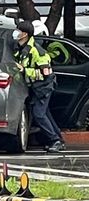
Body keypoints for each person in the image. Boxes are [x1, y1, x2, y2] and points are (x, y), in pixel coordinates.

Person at [13, 20, 65, 153]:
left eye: (18, 30)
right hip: (36, 88)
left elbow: (45, 73)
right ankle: (58, 139)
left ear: (25, 34)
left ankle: (54, 140)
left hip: (43, 87)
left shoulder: (37, 51)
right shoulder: (20, 48)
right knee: (45, 113)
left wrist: (24, 70)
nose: (16, 32)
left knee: (39, 114)